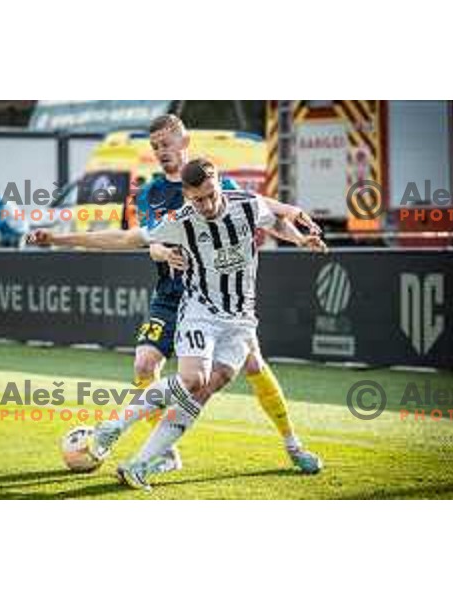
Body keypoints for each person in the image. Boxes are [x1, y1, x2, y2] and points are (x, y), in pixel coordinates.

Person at [28, 115, 325, 476]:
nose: (160, 152)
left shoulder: (228, 190)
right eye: (154, 146)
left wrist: (297, 229)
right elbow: (133, 238)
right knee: (156, 368)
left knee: (242, 370)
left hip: (236, 308)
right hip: (179, 297)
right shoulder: (155, 195)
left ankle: (291, 443)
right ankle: (147, 448)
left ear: (184, 143)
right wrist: (63, 239)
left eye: (165, 144)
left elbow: (266, 210)